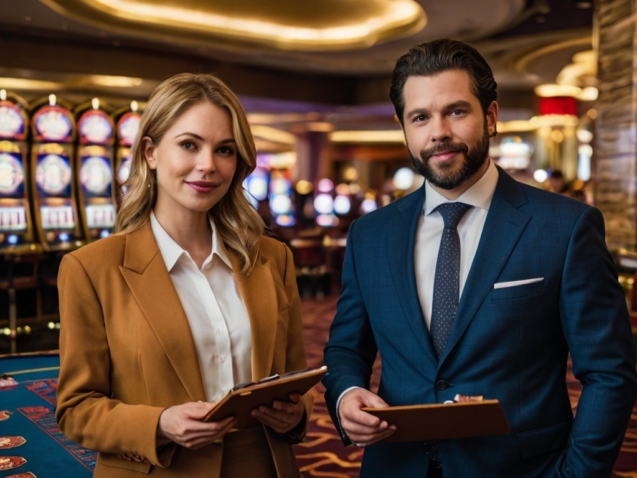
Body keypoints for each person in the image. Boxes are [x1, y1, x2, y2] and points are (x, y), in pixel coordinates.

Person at [323, 39, 637, 478]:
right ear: (404, 127)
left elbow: (610, 372)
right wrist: (346, 393)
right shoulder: (369, 235)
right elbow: (344, 349)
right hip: (394, 466)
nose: (438, 133)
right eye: (420, 117)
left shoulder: (565, 227)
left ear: (490, 116)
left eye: (456, 111)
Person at [56, 73, 312, 478]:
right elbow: (75, 409)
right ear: (151, 152)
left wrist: (296, 414)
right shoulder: (91, 268)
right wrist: (159, 423)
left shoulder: (273, 258)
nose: (208, 165)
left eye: (224, 149)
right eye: (189, 145)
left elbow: (296, 378)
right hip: (160, 467)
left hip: (261, 463)